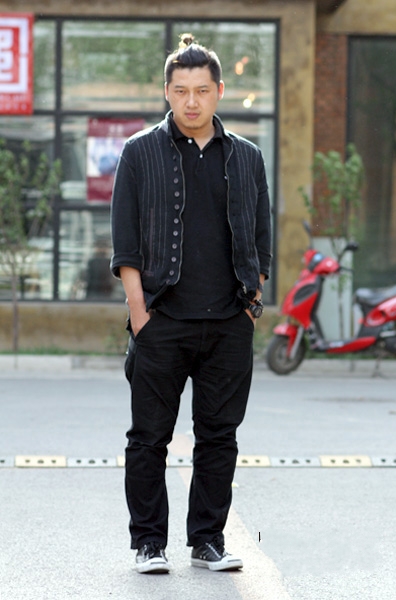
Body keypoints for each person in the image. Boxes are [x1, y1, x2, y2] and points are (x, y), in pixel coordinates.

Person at [110, 33, 272, 574]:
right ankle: (148, 544)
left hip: (228, 322)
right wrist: (139, 313)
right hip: (162, 320)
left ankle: (207, 541)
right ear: (167, 92)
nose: (192, 101)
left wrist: (252, 298)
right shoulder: (139, 153)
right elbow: (125, 242)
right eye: (181, 91)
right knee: (148, 439)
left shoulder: (247, 157)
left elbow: (261, 237)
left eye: (202, 90)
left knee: (219, 438)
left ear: (219, 91)